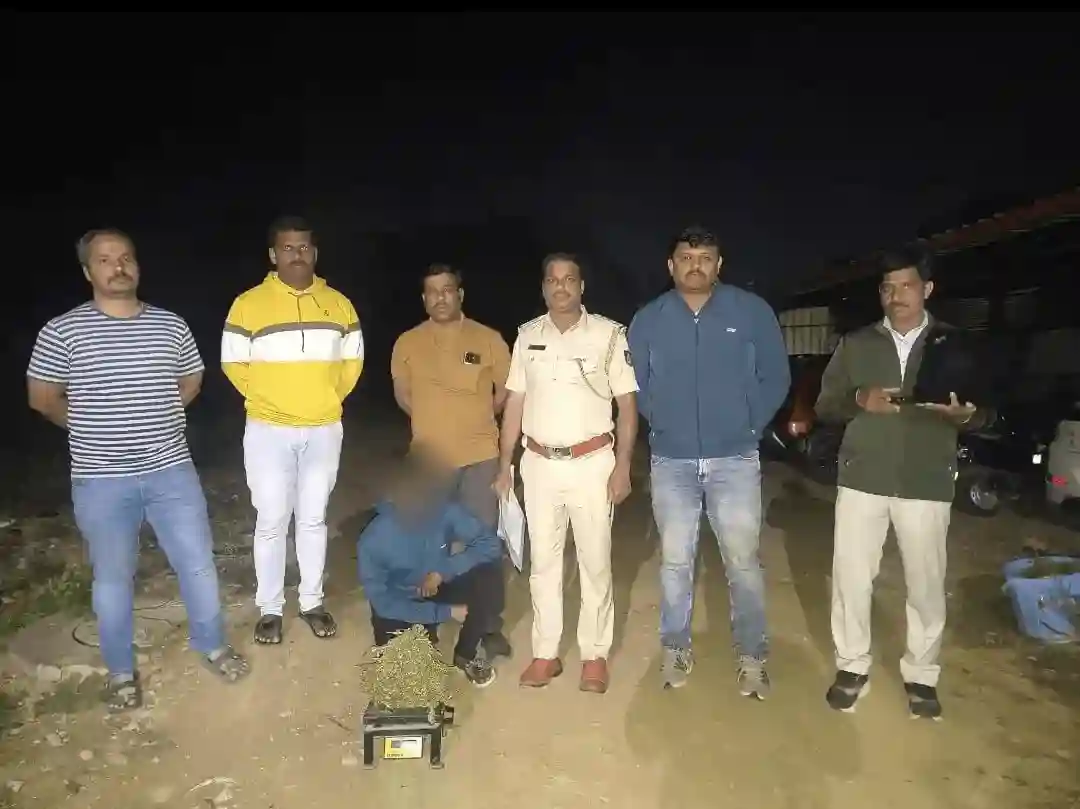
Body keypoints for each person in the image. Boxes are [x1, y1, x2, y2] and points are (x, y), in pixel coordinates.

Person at [26, 228, 249, 711]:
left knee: (198, 564)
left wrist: (163, 413)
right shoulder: (62, 331)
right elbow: (42, 397)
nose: (118, 267)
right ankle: (121, 672)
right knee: (112, 578)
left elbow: (192, 377)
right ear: (88, 272)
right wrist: (87, 426)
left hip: (171, 471)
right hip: (101, 480)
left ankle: (212, 646)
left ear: (137, 265)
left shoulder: (169, 325)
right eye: (106, 260)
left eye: (126, 257)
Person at [814, 247, 989, 720]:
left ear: (927, 289)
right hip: (862, 477)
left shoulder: (956, 343)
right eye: (888, 288)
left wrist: (965, 415)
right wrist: (859, 398)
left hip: (926, 479)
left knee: (926, 584)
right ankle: (852, 666)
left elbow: (986, 412)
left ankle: (921, 674)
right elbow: (826, 405)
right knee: (852, 579)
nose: (896, 296)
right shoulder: (857, 343)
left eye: (907, 286)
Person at [627, 225, 790, 697]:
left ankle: (752, 655)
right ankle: (675, 647)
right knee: (675, 562)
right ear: (670, 265)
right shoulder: (650, 318)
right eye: (686, 257)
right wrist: (663, 421)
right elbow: (635, 383)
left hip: (734, 458)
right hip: (672, 460)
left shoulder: (750, 311)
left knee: (743, 562)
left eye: (704, 258)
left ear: (719, 265)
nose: (694, 266)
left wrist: (749, 425)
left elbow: (776, 376)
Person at [494, 252, 638, 694]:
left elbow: (627, 405)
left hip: (593, 464)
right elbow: (514, 402)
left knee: (595, 562)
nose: (561, 287)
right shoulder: (527, 336)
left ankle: (594, 656)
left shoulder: (609, 335)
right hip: (539, 464)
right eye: (553, 280)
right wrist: (505, 465)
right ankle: (546, 653)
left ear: (581, 287)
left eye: (569, 279)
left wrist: (623, 465)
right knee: (543, 564)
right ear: (543, 288)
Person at [221, 216, 364, 645]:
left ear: (314, 253)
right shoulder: (248, 304)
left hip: (323, 428)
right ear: (273, 254)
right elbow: (233, 362)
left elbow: (352, 362)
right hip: (268, 429)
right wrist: (271, 400)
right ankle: (269, 608)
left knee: (314, 518)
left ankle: (311, 602)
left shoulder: (339, 304)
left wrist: (324, 399)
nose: (296, 255)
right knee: (271, 519)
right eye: (287, 248)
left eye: (303, 247)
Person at [390, 263, 513, 659]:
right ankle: (426, 621)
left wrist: (474, 420)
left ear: (460, 294)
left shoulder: (488, 339)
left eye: (447, 290)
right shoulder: (407, 342)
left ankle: (487, 624)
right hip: (429, 461)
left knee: (481, 542)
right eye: (432, 291)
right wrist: (434, 423)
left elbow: (504, 393)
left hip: (480, 457)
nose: (440, 297)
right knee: (426, 541)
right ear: (424, 298)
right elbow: (403, 395)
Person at [358, 450, 503, 687]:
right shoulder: (373, 539)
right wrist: (444, 613)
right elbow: (383, 603)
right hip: (402, 600)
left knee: (487, 574)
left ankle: (465, 655)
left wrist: (443, 571)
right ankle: (422, 636)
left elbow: (490, 544)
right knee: (408, 679)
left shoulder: (443, 509)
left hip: (438, 583)